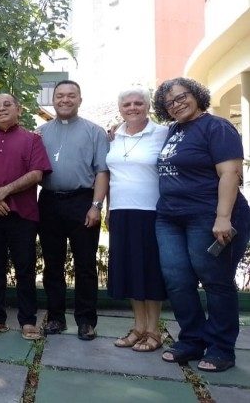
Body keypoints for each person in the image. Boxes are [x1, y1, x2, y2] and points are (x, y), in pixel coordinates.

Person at [153, 77, 250, 372]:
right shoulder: (174, 131)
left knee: (215, 281)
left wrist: (222, 217)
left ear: (196, 95)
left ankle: (221, 348)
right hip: (170, 217)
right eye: (170, 102)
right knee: (177, 281)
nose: (177, 104)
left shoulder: (216, 127)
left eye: (182, 97)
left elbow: (231, 173)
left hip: (209, 216)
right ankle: (192, 340)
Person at [0, 93, 51, 339]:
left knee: (25, 267)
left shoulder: (32, 140)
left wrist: (3, 192)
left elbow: (37, 174)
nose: (1, 109)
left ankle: (27, 320)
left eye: (7, 105)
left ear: (18, 109)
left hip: (22, 215)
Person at [37, 80, 109, 340]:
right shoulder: (41, 131)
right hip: (49, 202)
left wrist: (96, 205)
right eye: (60, 96)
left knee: (86, 264)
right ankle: (56, 318)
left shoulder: (95, 131)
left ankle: (86, 321)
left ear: (80, 99)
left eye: (71, 96)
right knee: (52, 264)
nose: (65, 100)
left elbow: (102, 171)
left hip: (82, 202)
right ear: (53, 100)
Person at [106, 87, 168, 351]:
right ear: (120, 108)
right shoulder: (114, 136)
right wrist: (108, 208)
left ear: (148, 106)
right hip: (121, 211)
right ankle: (138, 326)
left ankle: (154, 330)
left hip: (151, 211)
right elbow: (108, 176)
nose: (132, 107)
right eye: (127, 104)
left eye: (138, 103)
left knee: (150, 270)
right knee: (129, 269)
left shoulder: (163, 133)